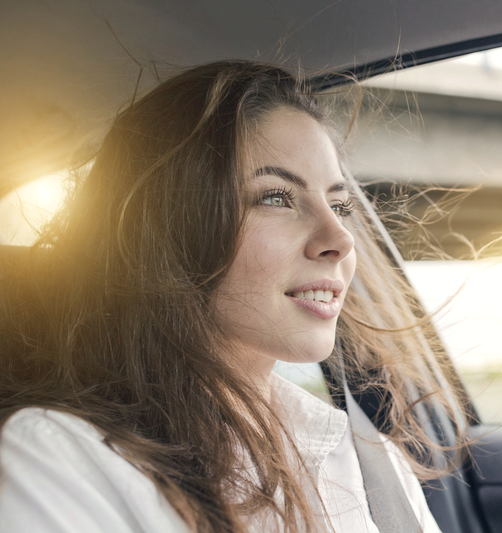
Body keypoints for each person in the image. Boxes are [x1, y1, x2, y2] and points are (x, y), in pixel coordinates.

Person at [0, 61, 467, 532]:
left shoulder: (371, 465)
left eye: (340, 205)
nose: (341, 239)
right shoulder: (62, 460)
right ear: (166, 231)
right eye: (277, 198)